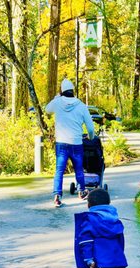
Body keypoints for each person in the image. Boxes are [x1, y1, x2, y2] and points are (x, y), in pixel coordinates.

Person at [46, 79, 95, 207]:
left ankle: (57, 197)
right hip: (76, 142)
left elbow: (47, 110)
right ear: (73, 91)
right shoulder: (81, 105)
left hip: (61, 143)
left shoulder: (57, 102)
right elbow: (90, 127)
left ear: (62, 91)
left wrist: (56, 97)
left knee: (59, 170)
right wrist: (91, 137)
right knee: (79, 169)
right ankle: (81, 192)